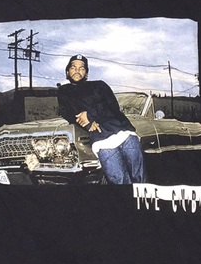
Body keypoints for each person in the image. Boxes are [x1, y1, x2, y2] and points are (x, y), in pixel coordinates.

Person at [57, 54, 146, 184]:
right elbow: (68, 113)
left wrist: (89, 115)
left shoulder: (99, 85)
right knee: (119, 180)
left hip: (124, 133)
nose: (77, 71)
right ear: (67, 71)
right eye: (73, 67)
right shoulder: (64, 91)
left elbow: (112, 106)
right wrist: (87, 124)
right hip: (101, 139)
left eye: (82, 68)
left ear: (86, 73)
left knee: (139, 178)